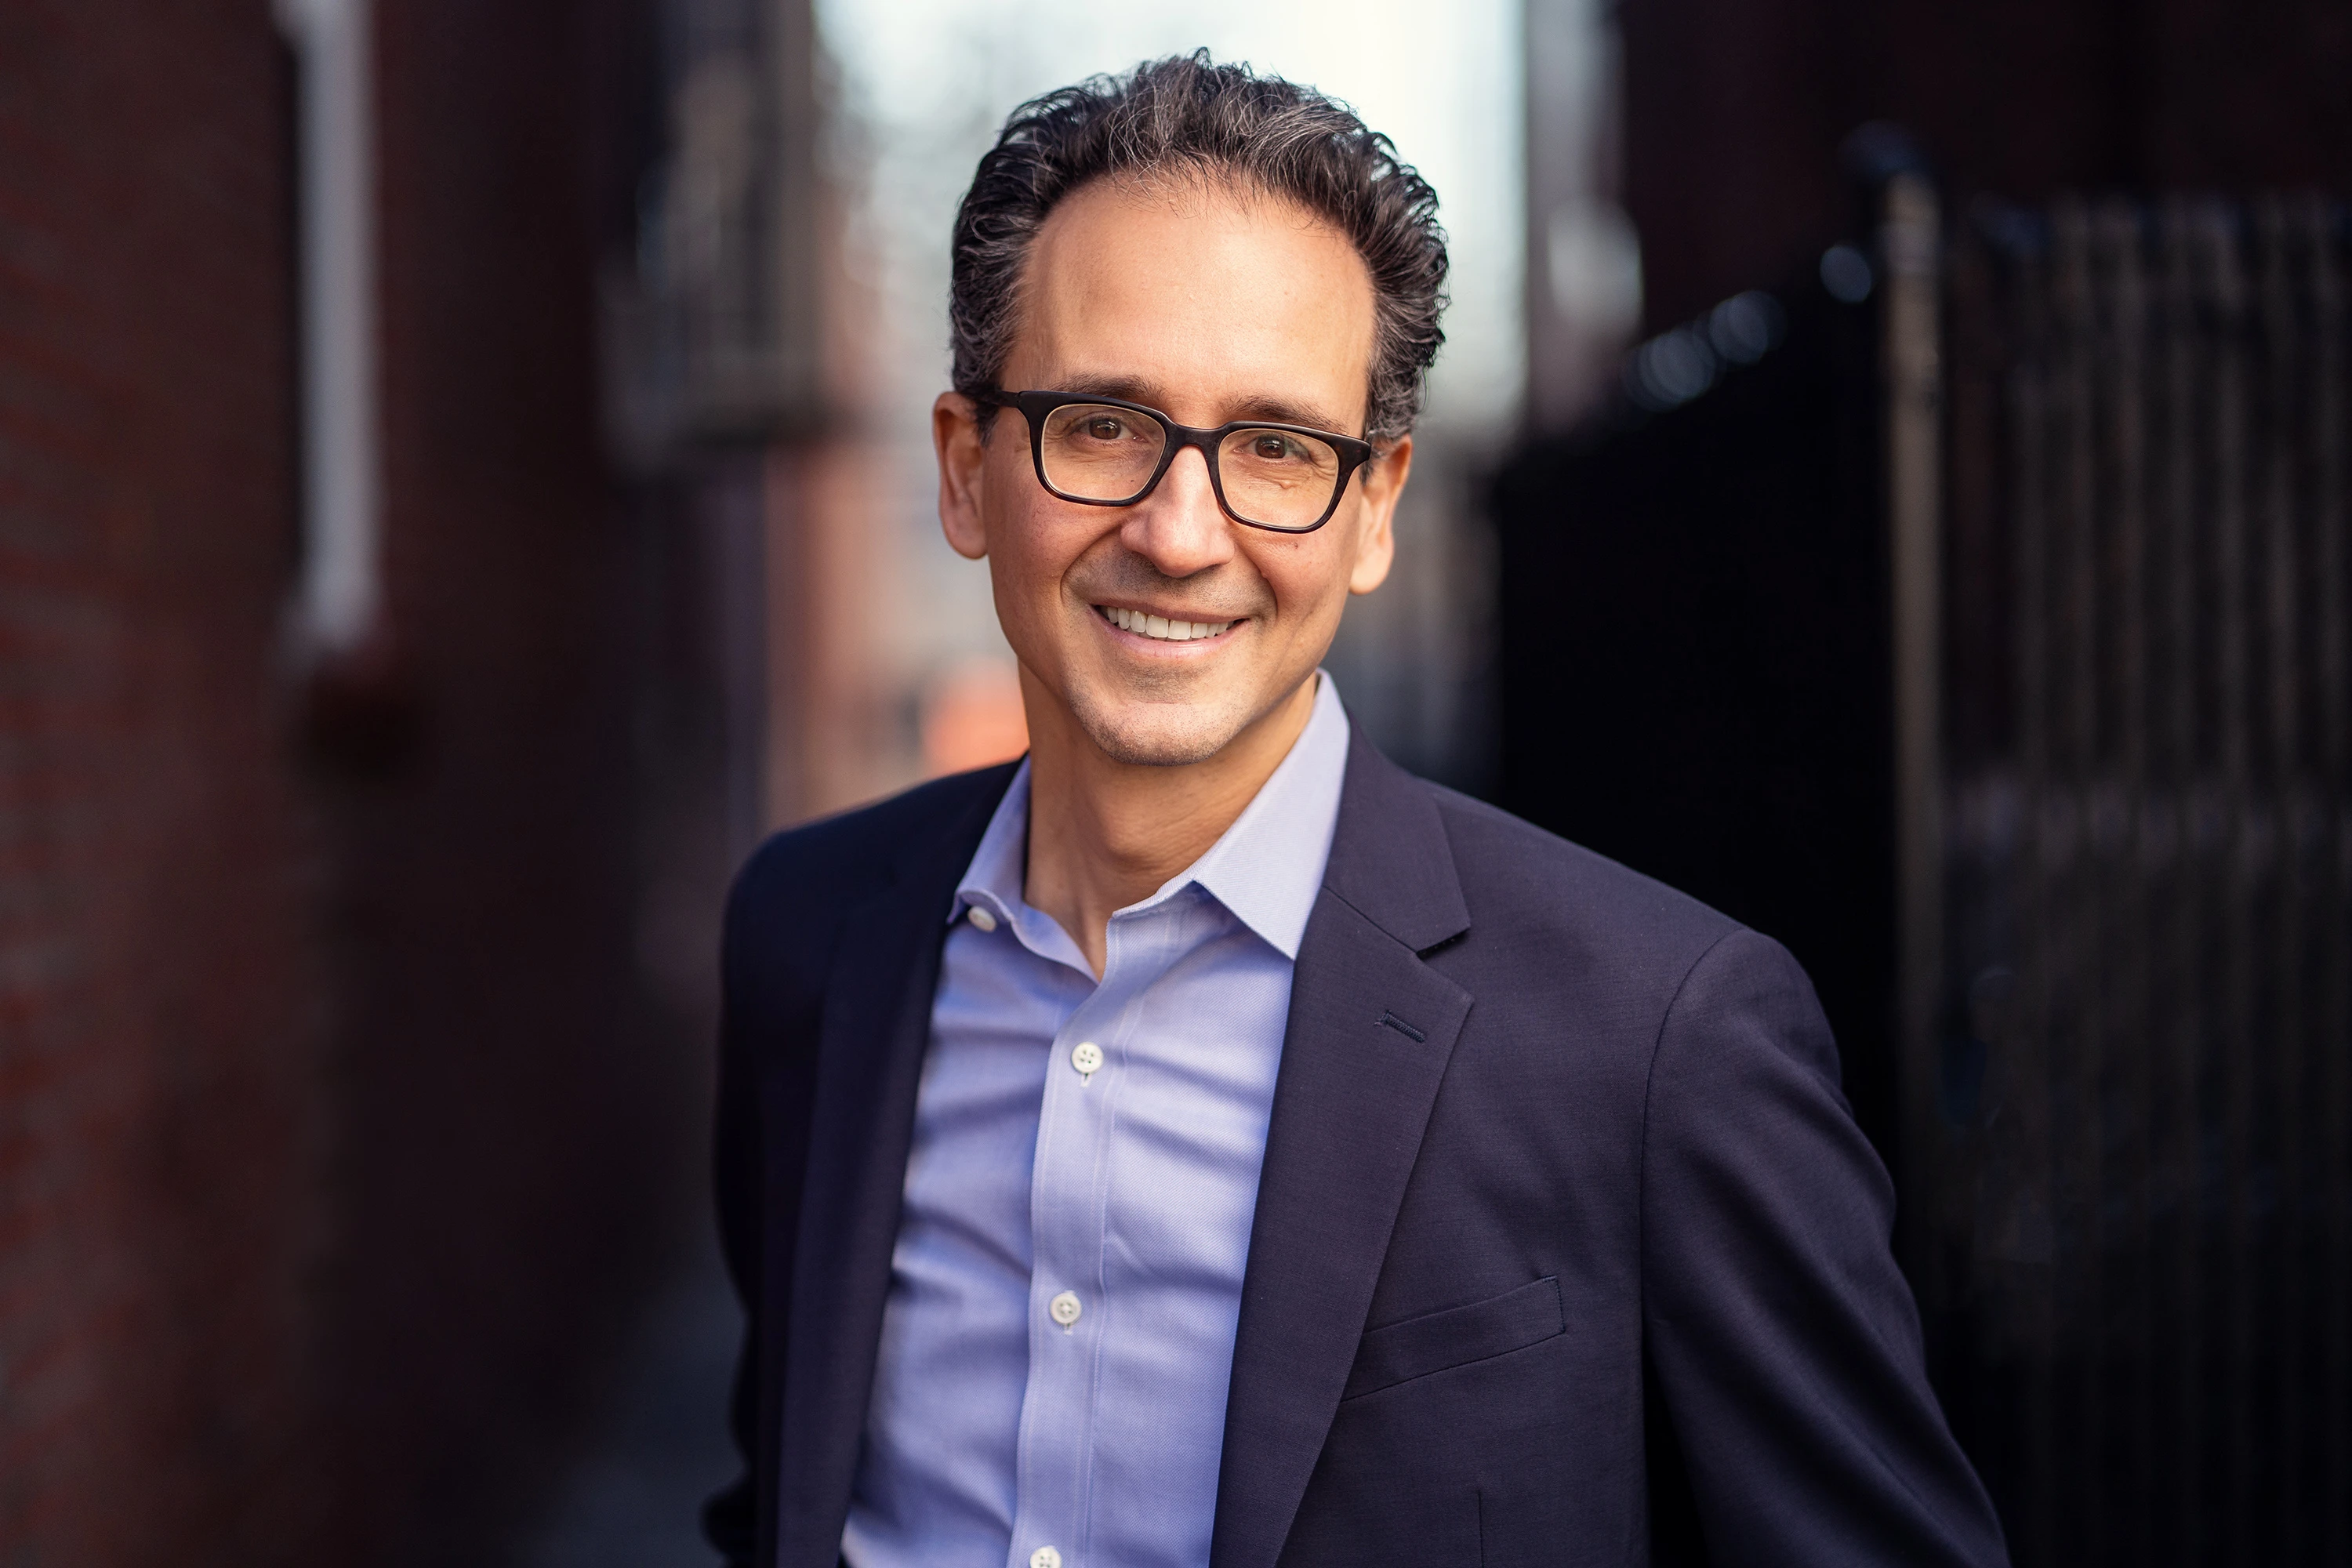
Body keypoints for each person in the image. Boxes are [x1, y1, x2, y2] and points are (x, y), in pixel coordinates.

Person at [704, 52, 2007, 1568]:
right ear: (968, 468)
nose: (1181, 535)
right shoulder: (807, 941)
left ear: (1373, 507)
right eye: (1106, 424)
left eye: (1274, 447)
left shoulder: (1660, 1040)